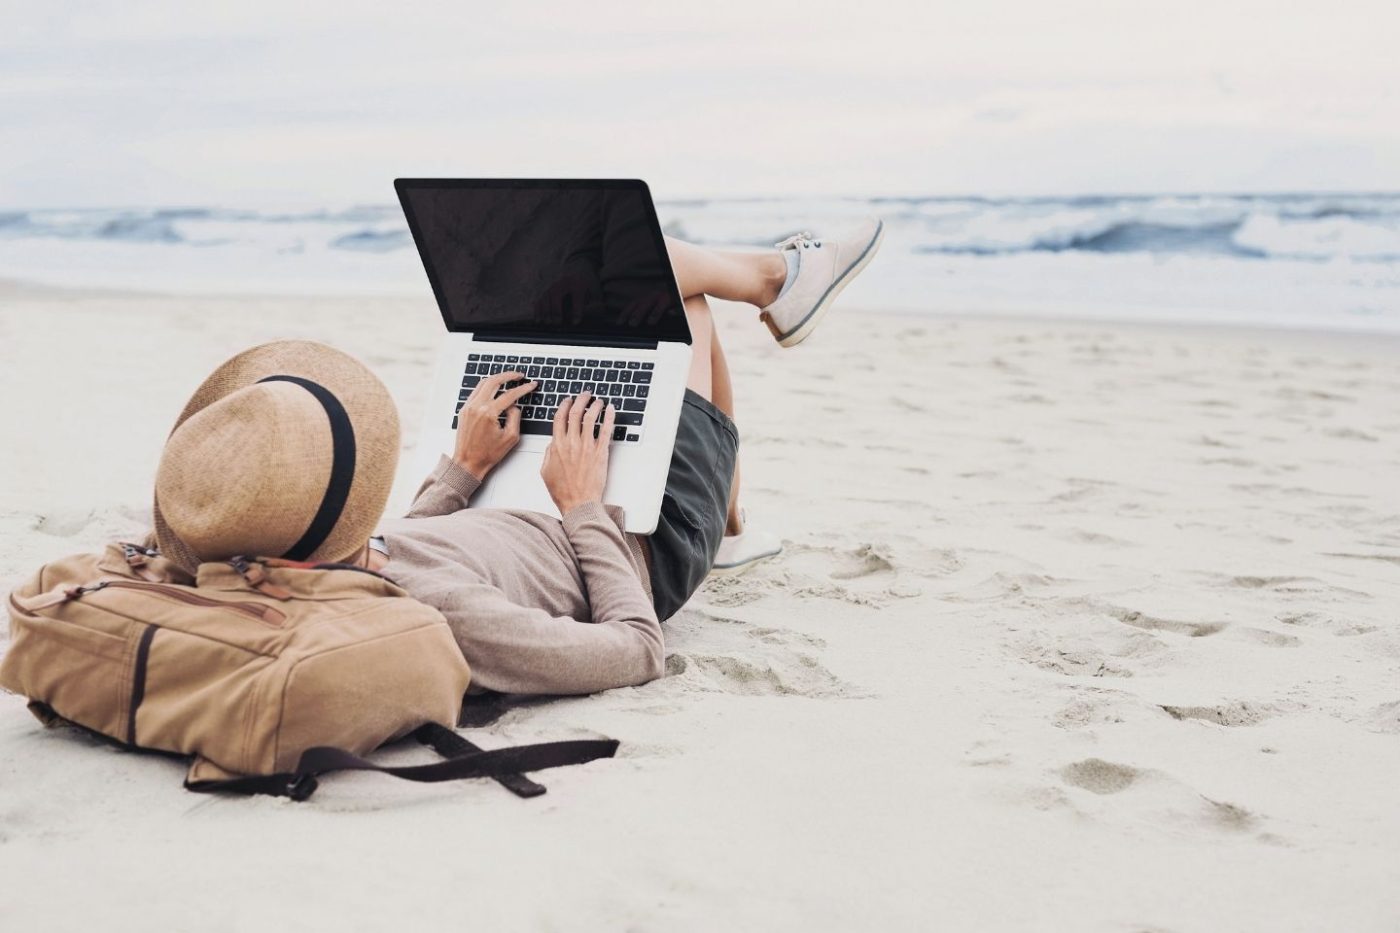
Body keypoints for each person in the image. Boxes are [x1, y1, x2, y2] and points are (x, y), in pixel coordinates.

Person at [153, 220, 883, 697]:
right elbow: (635, 651)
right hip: (634, 545)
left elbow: (405, 548)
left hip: (510, 496)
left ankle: (734, 505)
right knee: (670, 295)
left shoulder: (314, 571)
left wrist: (465, 468)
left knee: (624, 272)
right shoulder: (449, 615)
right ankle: (775, 283)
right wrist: (583, 504)